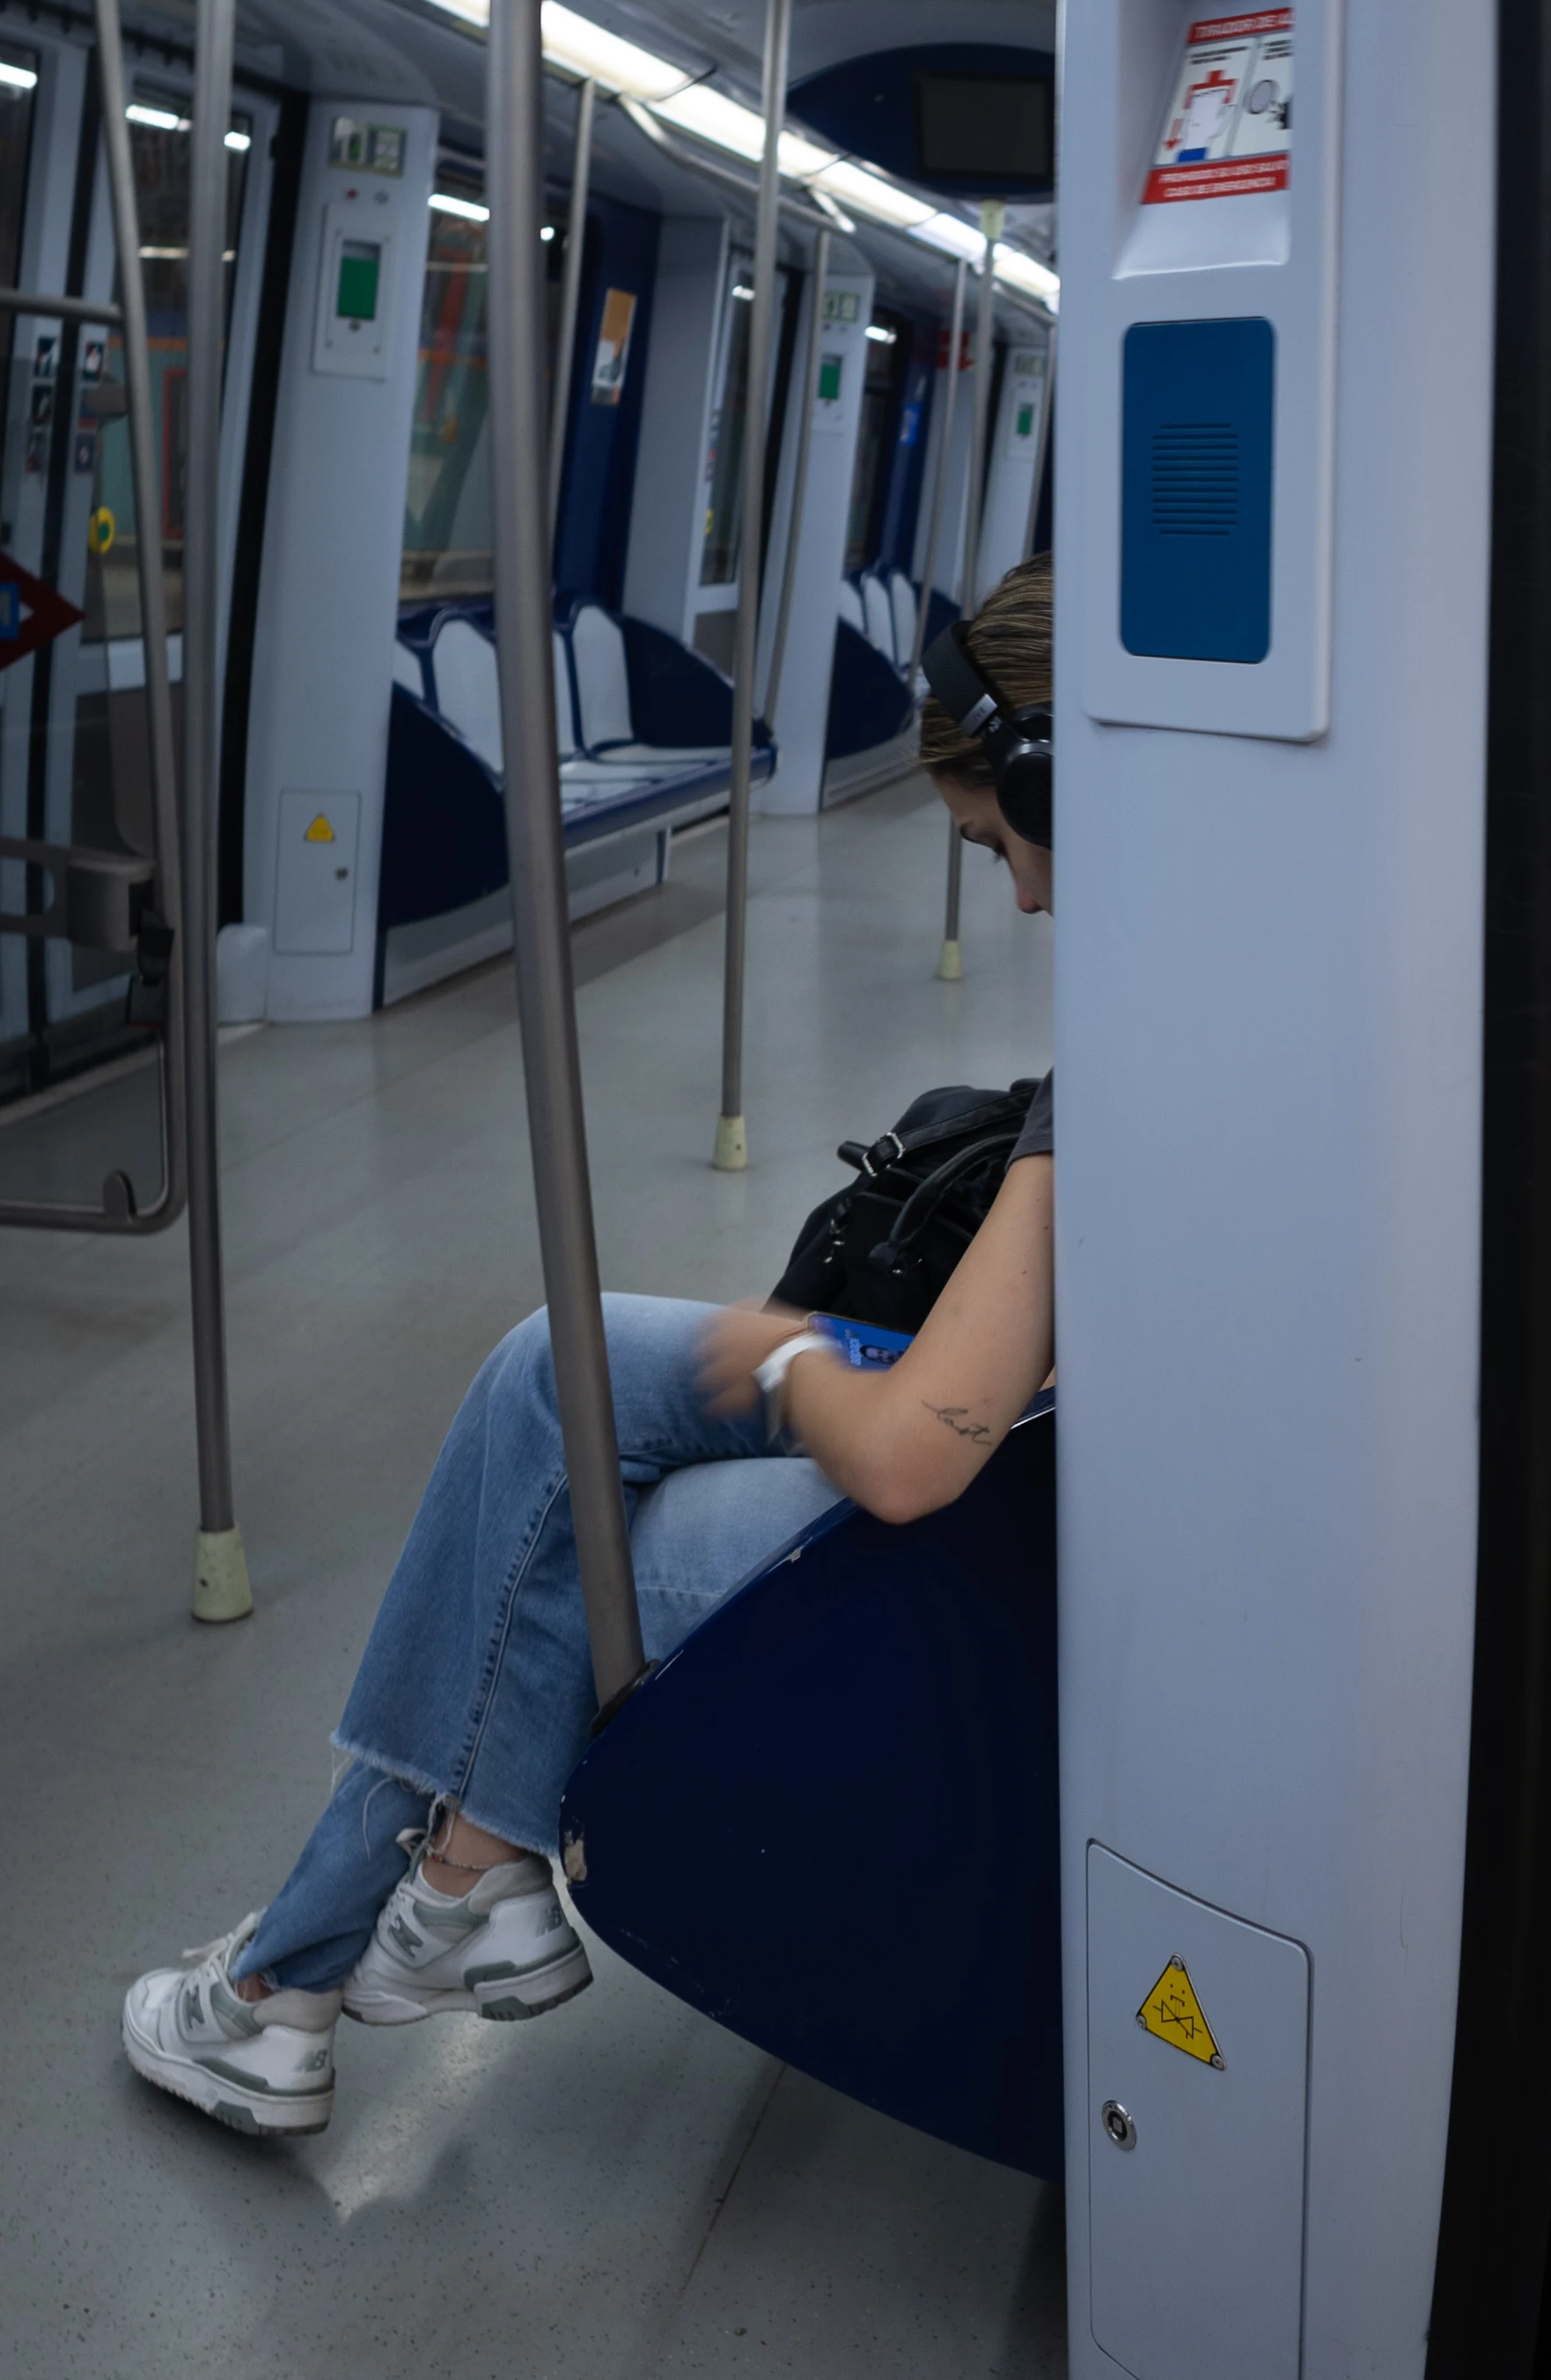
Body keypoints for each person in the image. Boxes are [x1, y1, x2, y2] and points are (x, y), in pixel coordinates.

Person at [120, 557, 1063, 2139]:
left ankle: (293, 1983)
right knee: (551, 1371)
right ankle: (433, 1899)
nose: (1024, 896)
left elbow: (907, 1459)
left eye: (1003, 843)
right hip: (1062, 1442)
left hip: (1015, 1510)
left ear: (1052, 775)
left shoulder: (1130, 1059)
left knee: (567, 1524)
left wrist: (781, 1366)